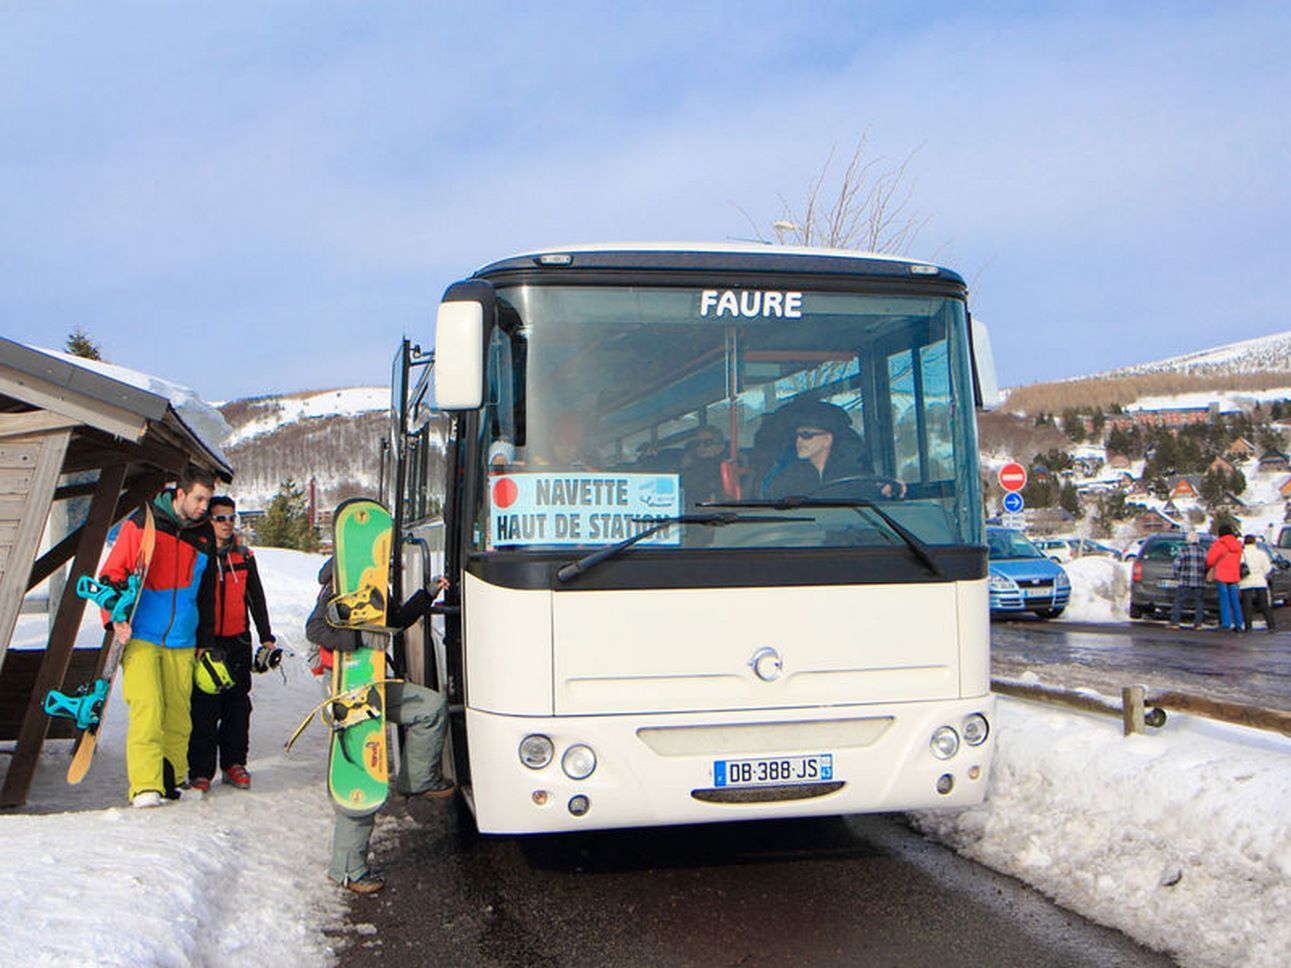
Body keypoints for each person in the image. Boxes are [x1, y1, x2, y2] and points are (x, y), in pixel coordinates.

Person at [304, 559, 453, 895]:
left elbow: (396, 620)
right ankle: (347, 869)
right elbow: (314, 630)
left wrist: (427, 593)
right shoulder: (337, 585)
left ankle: (417, 780)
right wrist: (356, 637)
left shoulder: (373, 586)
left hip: (373, 683)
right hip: (345, 689)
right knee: (361, 775)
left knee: (429, 707)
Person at [99, 466, 217, 808]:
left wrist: (203, 641)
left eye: (207, 501)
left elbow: (207, 593)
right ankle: (145, 786)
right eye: (198, 499)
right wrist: (114, 618)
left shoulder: (203, 534)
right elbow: (112, 574)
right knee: (148, 709)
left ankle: (169, 779)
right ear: (179, 494)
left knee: (179, 715)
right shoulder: (143, 523)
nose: (203, 507)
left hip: (183, 638)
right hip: (143, 635)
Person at [186, 496, 276, 792]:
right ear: (207, 521)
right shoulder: (198, 555)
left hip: (237, 641)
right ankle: (200, 772)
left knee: (238, 708)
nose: (227, 524)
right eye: (220, 518)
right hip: (206, 644)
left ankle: (234, 764)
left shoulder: (244, 556)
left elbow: (256, 598)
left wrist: (266, 637)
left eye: (231, 518)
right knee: (204, 710)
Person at [762, 400, 901, 500]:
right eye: (797, 436)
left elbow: (869, 498)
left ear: (828, 439)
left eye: (807, 435)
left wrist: (887, 489)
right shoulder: (788, 476)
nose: (799, 441)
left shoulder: (854, 475)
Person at [1206, 524, 1245, 633]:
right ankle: (1238, 623)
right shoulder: (1237, 545)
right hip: (1234, 575)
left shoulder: (1219, 544)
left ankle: (1226, 623)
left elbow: (1210, 560)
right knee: (1235, 600)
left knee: (1224, 600)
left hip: (1222, 574)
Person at [1167, 531, 1207, 630]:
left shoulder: (1183, 551)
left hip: (1185, 580)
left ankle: (1175, 622)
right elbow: (1207, 565)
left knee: (1179, 601)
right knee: (1199, 603)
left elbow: (1177, 565)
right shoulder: (1203, 551)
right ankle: (1198, 624)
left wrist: (1175, 575)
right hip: (1199, 581)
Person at [1239, 534, 1277, 633]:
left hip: (1245, 582)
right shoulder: (1261, 553)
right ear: (1254, 542)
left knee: (1247, 605)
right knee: (1264, 604)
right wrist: (1261, 574)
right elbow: (1268, 568)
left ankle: (1248, 626)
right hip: (1260, 581)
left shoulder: (1241, 554)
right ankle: (1271, 625)